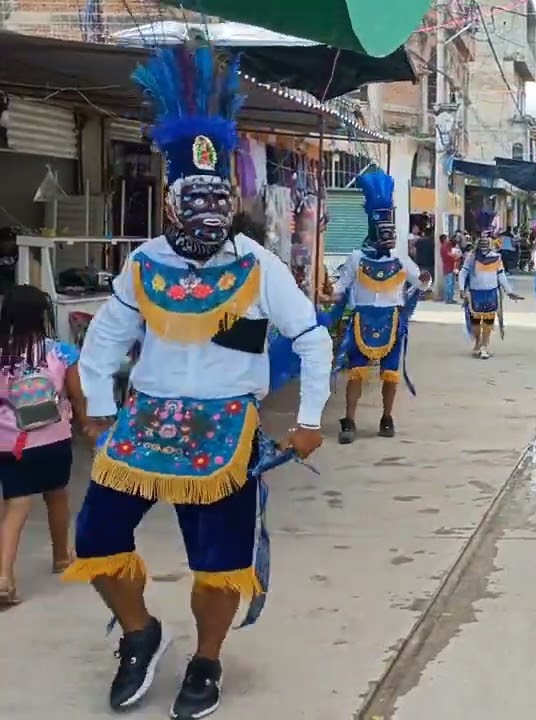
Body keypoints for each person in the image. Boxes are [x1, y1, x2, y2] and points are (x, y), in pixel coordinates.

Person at [64, 41, 331, 719]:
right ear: (171, 200)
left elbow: (310, 335)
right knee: (95, 539)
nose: (209, 210)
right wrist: (97, 409)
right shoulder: (143, 263)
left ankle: (207, 662)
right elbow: (103, 342)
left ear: (233, 198)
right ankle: (139, 634)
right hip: (146, 421)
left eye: (220, 197)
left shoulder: (261, 266)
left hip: (226, 430)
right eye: (195, 197)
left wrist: (308, 420)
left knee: (219, 560)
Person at [328, 169, 430, 444]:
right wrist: (329, 297)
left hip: (392, 321)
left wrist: (425, 279)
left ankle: (387, 417)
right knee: (356, 373)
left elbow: (420, 283)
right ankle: (348, 420)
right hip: (361, 320)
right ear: (372, 230)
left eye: (390, 228)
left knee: (391, 374)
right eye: (382, 228)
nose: (388, 234)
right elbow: (341, 288)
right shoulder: (356, 258)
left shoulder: (399, 258)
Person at [0, 285, 84, 605]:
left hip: (9, 444)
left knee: (16, 504)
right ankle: (62, 555)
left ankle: (4, 576)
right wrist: (88, 426)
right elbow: (76, 396)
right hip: (52, 440)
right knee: (57, 494)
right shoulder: (61, 352)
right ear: (42, 316)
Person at [457, 213, 522, 359]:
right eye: (482, 241)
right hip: (475, 294)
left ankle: (484, 346)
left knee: (488, 321)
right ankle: (478, 342)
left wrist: (509, 291)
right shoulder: (471, 257)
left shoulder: (496, 257)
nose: (484, 244)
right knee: (475, 322)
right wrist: (462, 289)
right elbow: (463, 273)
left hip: (491, 293)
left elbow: (501, 275)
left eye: (487, 241)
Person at [439, 233, 460, 304]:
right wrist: (456, 255)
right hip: (449, 267)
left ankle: (449, 298)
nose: (448, 239)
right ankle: (449, 299)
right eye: (447, 238)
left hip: (449, 267)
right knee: (450, 284)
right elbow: (449, 255)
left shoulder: (445, 246)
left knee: (449, 283)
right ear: (444, 239)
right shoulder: (445, 247)